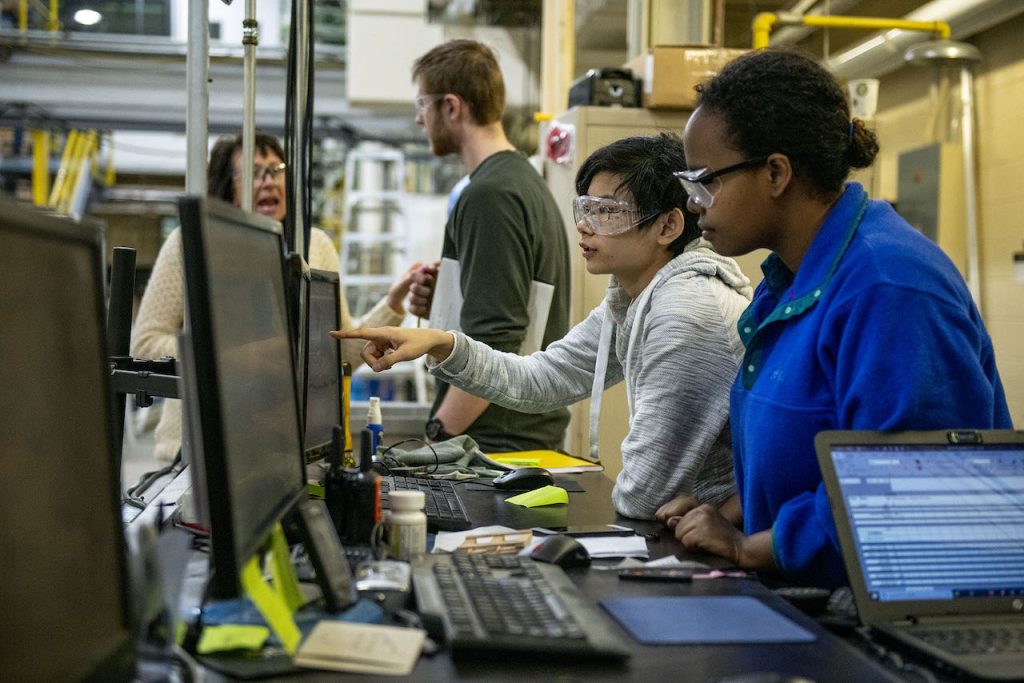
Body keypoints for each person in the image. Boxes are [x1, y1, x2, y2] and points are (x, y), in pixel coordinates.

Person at [655, 48, 1012, 587]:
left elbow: (905, 485)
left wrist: (750, 548)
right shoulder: (792, 281)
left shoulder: (890, 286)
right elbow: (812, 453)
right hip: (815, 593)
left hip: (893, 619)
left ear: (776, 173)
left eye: (705, 181)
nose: (696, 203)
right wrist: (734, 511)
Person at [334, 133, 752, 519]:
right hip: (692, 529)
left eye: (607, 211)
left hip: (733, 547)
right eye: (585, 208)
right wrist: (443, 344)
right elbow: (542, 379)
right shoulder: (632, 299)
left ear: (668, 226)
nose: (585, 225)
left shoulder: (685, 312)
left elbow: (643, 495)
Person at [132, 132, 418, 462]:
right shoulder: (190, 243)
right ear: (227, 186)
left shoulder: (315, 245)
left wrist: (393, 305)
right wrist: (232, 358)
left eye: (276, 169)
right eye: (254, 173)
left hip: (287, 452)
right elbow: (146, 345)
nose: (269, 182)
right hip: (198, 454)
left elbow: (335, 352)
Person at [406, 39, 572, 453]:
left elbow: (495, 342)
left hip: (495, 443)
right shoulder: (519, 183)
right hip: (512, 436)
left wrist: (436, 439)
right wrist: (447, 301)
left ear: (451, 106)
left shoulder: (490, 195)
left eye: (422, 104)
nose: (417, 119)